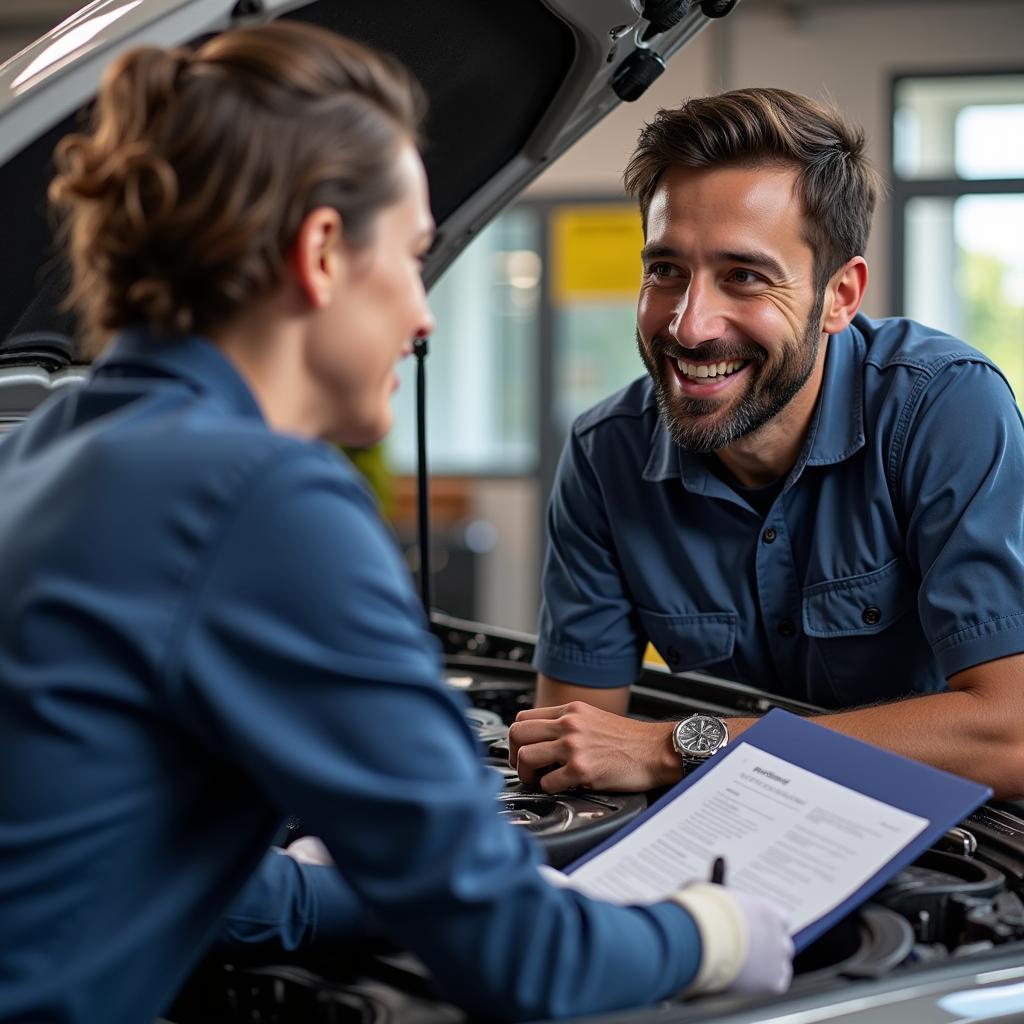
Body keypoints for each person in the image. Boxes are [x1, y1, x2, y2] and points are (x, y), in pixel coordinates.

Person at [0, 24, 793, 1024]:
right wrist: (710, 932)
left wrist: (363, 888)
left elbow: (147, 870)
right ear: (323, 252)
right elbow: (518, 962)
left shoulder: (56, 448)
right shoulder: (258, 497)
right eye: (412, 257)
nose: (422, 318)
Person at [510, 88, 1024, 800]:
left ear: (840, 296)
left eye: (744, 276)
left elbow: (1013, 734)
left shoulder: (944, 407)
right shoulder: (606, 457)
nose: (690, 327)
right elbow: (581, 749)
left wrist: (680, 747)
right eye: (665, 271)